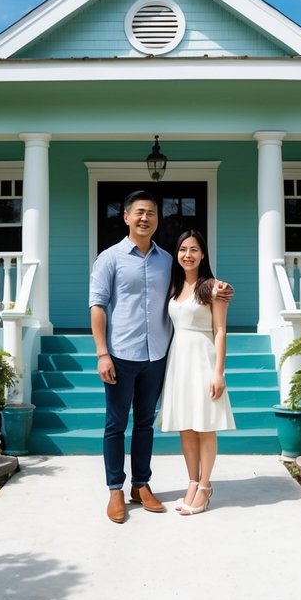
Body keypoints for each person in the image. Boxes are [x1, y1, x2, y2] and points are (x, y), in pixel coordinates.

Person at [89, 190, 230, 524]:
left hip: (159, 357)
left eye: (151, 213)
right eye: (138, 212)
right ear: (126, 216)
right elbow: (97, 306)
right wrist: (101, 353)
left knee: (145, 424)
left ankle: (141, 485)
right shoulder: (109, 258)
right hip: (121, 354)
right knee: (115, 424)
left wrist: (221, 288)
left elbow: (197, 286)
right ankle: (115, 490)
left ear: (156, 219)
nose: (144, 218)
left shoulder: (168, 260)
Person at [159, 229, 235, 515]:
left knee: (205, 424)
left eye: (193, 249)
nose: (187, 255)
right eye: (182, 250)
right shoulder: (175, 287)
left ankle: (205, 486)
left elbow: (220, 330)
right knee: (186, 425)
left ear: (203, 254)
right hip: (179, 360)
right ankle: (192, 482)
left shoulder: (214, 287)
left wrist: (219, 373)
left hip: (203, 358)